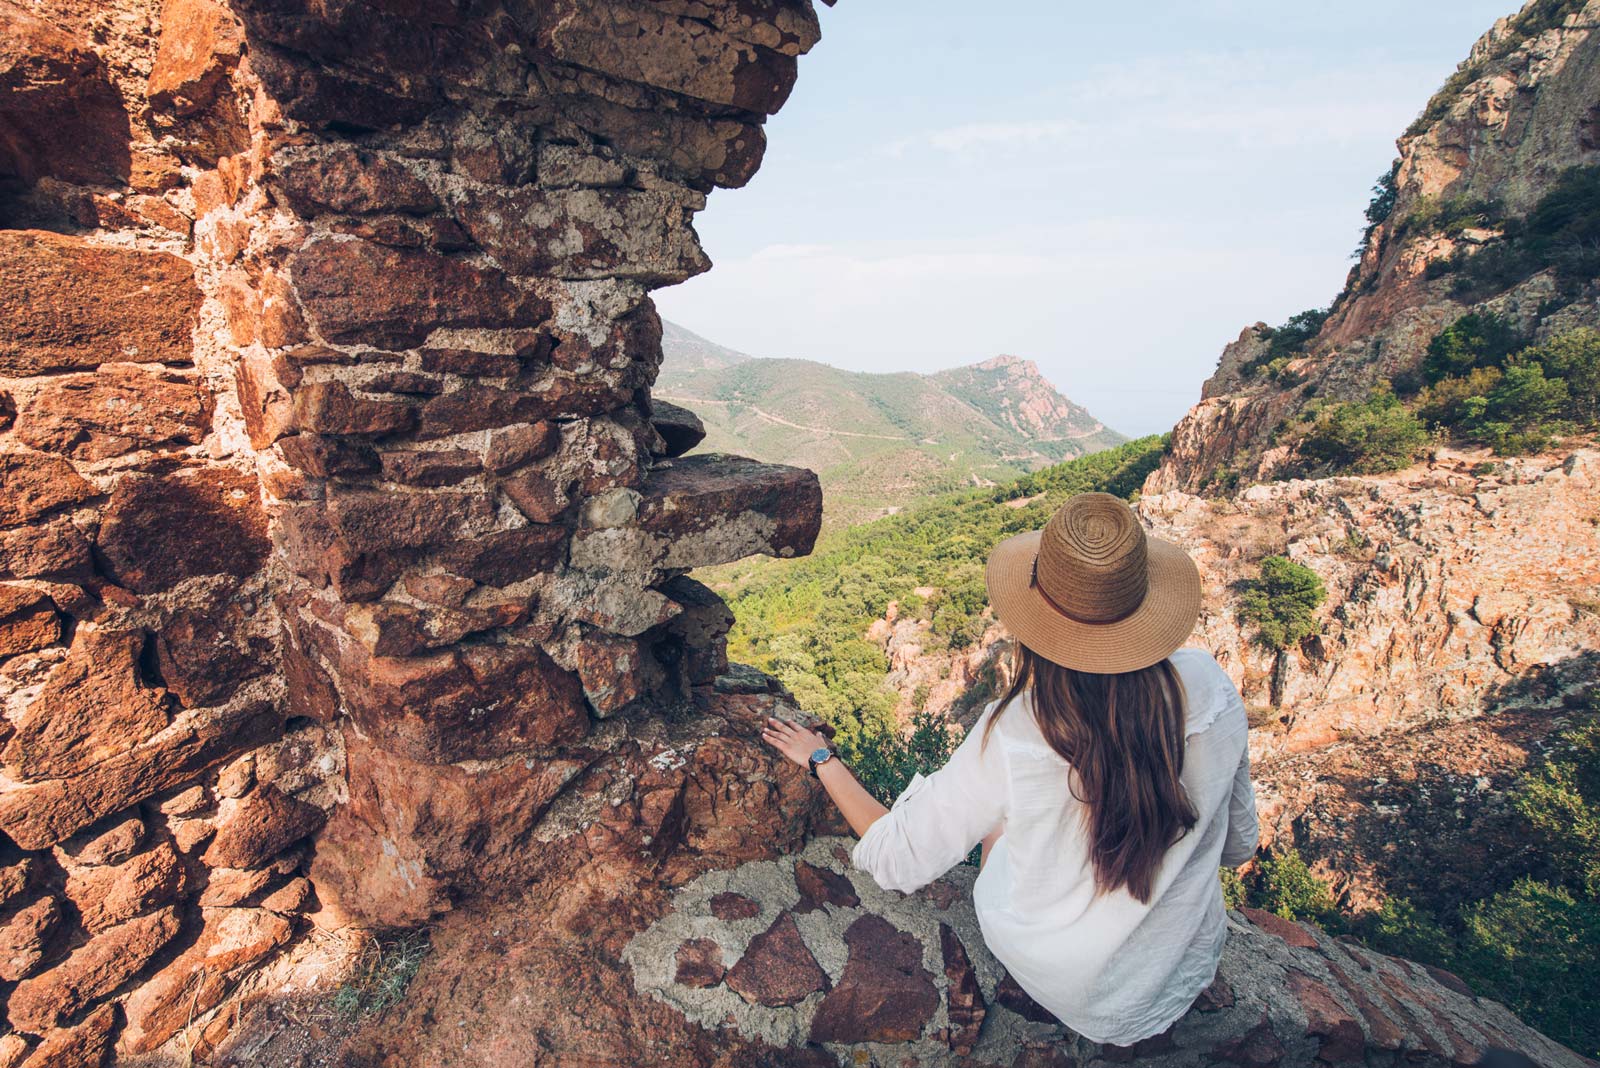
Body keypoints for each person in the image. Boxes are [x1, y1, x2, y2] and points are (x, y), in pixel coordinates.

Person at [762, 491, 1259, 1046]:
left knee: (1001, 821)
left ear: (1038, 618)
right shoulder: (1210, 684)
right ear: (1143, 609)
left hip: (1075, 984)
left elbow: (895, 861)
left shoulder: (1019, 730)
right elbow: (1238, 845)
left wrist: (822, 759)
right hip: (1183, 965)